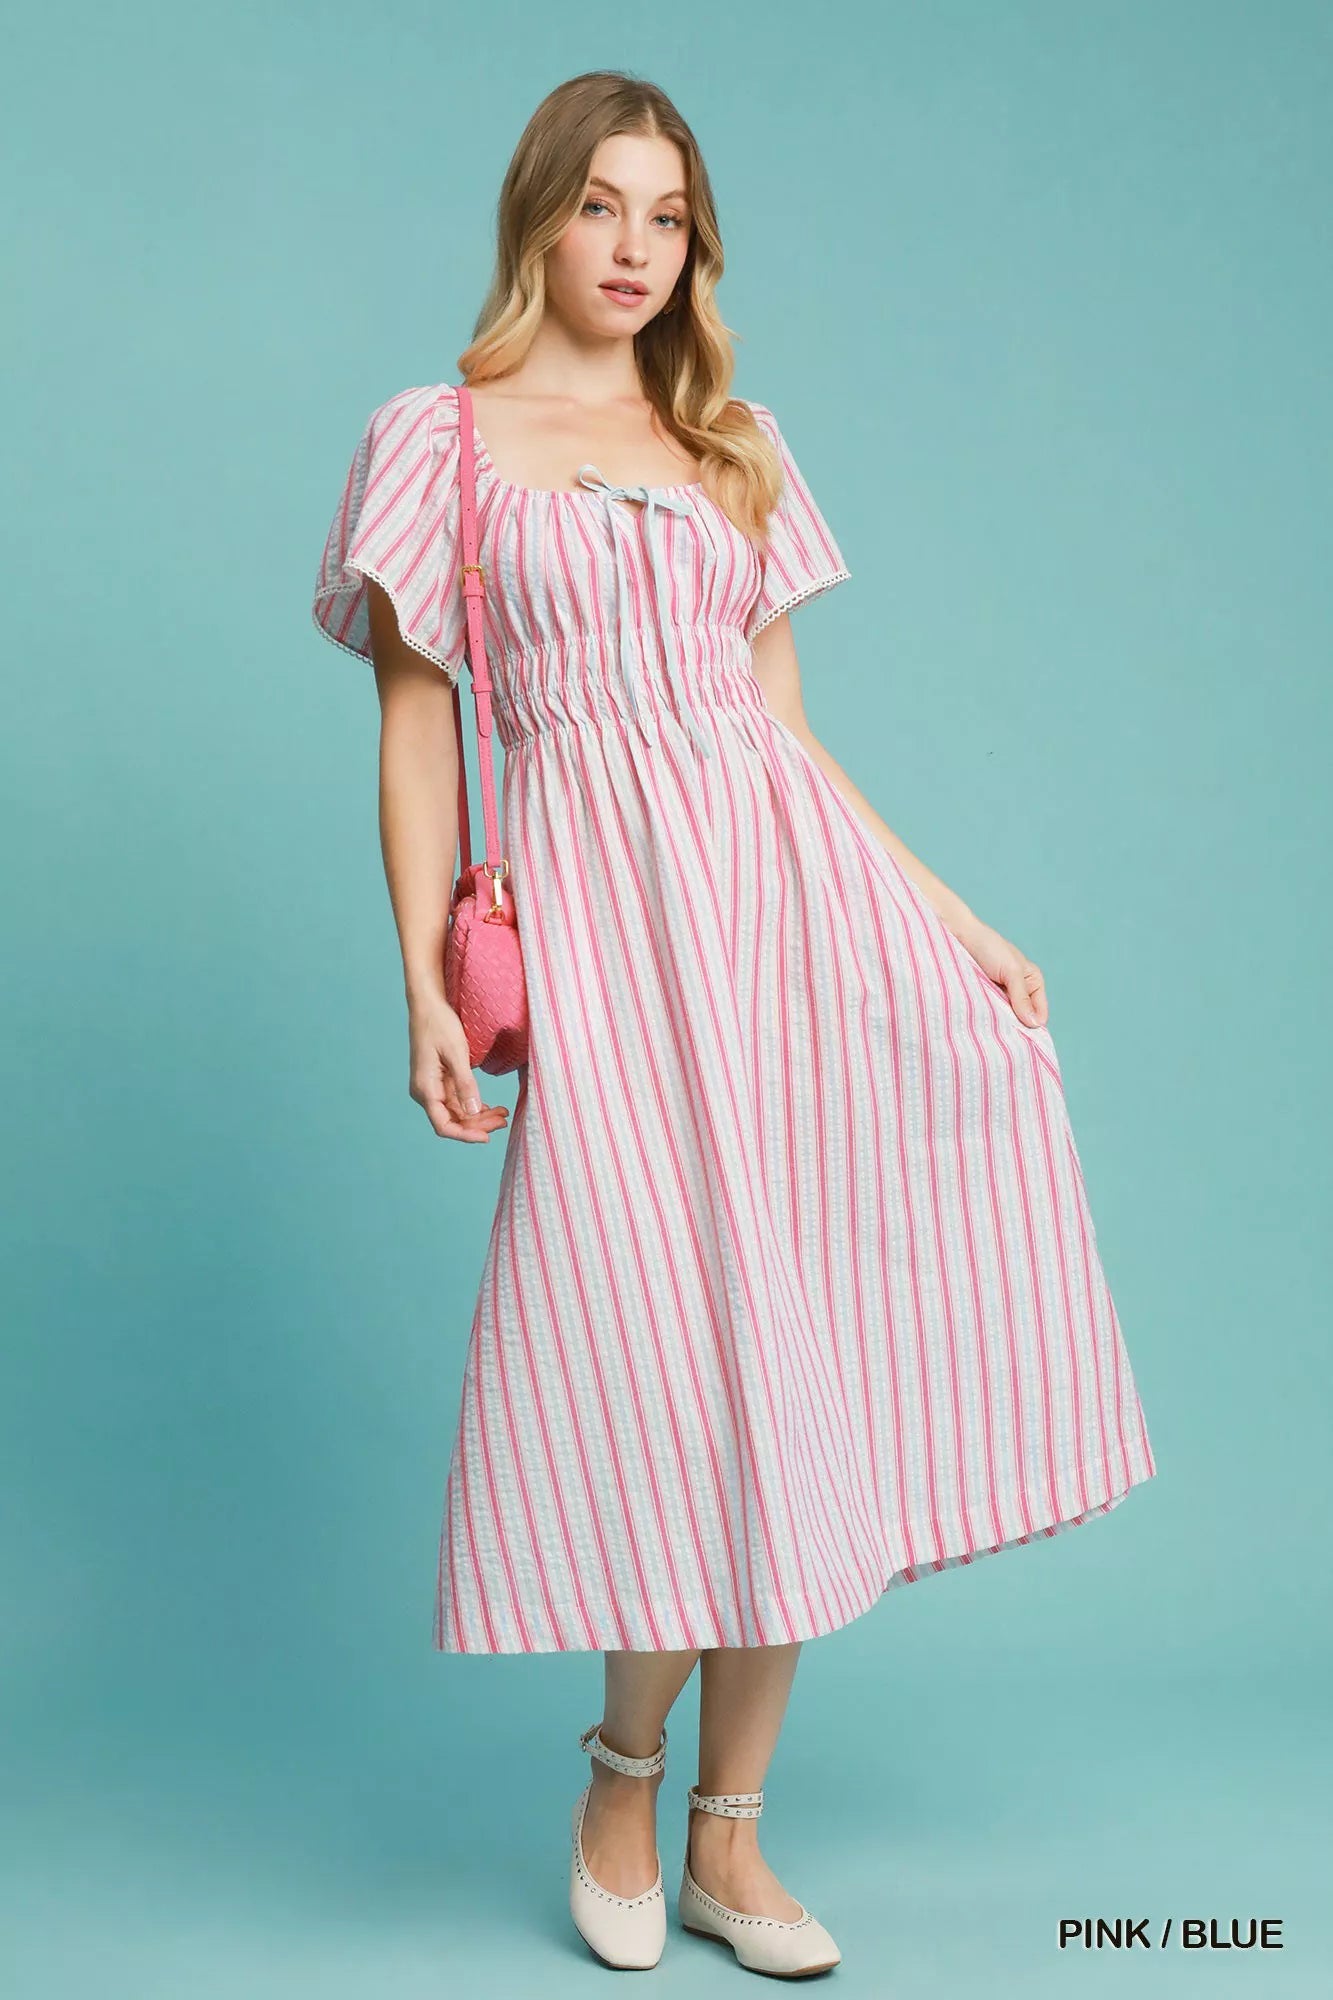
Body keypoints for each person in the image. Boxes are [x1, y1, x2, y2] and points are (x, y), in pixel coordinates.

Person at [311, 67, 1156, 1980]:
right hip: (612, 960)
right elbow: (416, 732)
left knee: (802, 1355)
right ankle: (618, 1768)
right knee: (660, 1358)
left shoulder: (735, 441)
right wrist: (422, 987)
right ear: (536, 216)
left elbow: (781, 735)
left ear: (697, 244)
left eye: (667, 217)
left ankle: (729, 1837)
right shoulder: (432, 444)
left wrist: (955, 921)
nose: (632, 249)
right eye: (600, 207)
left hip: (791, 940)